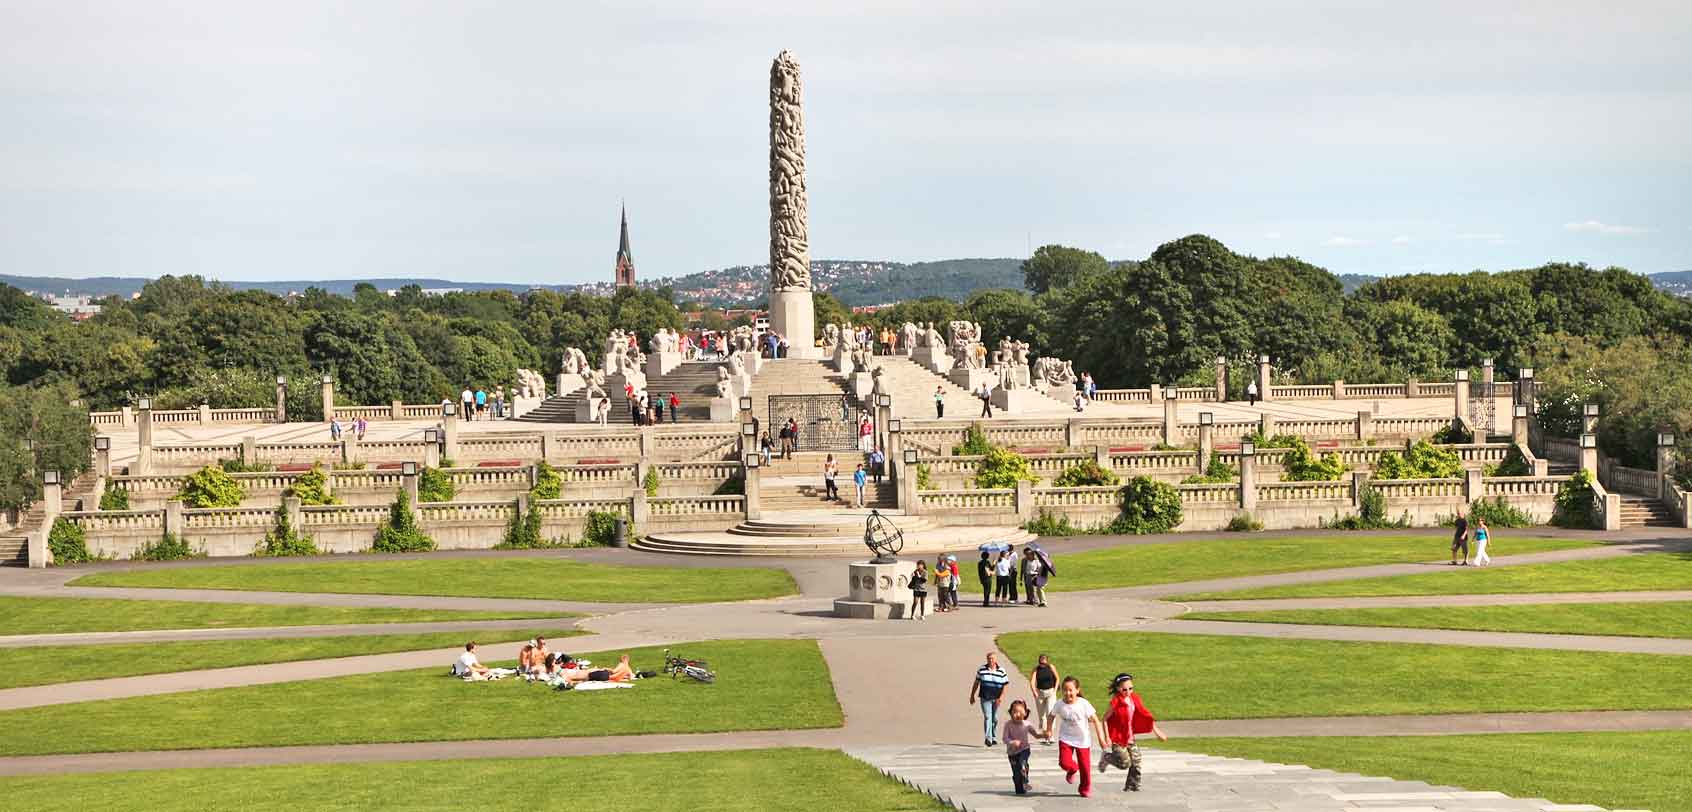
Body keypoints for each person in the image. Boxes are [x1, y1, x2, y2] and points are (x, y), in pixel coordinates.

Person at [1099, 672, 1168, 792]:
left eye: (1131, 688)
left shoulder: (1135, 699)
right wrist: (1107, 737)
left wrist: (1157, 732)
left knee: (1136, 761)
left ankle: (1132, 786)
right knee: (1125, 763)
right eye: (1124, 689)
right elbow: (1104, 719)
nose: (1128, 691)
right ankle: (1107, 758)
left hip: (1130, 737)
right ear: (1118, 688)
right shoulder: (1116, 702)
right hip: (1118, 738)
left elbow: (1146, 716)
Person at [1053, 675, 1108, 798]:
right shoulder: (1059, 704)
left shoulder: (1084, 704)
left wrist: (1101, 739)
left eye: (1070, 690)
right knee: (1064, 763)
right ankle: (1072, 769)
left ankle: (1085, 788)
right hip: (1065, 738)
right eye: (1065, 690)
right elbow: (1051, 716)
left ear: (1077, 690)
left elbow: (1096, 720)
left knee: (1085, 768)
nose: (1068, 693)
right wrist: (1048, 730)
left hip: (1082, 740)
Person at [968, 651, 1010, 747]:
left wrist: (1001, 697)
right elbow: (976, 683)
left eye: (992, 658)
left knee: (994, 718)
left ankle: (993, 736)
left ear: (996, 660)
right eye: (989, 658)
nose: (991, 660)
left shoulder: (1001, 671)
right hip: (985, 697)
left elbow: (1005, 685)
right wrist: (972, 695)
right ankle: (988, 738)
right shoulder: (982, 669)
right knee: (988, 716)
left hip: (996, 698)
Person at [1003, 699, 1039, 795]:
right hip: (1012, 753)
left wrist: (1044, 735)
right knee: (1016, 773)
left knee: (1022, 763)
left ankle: (1025, 779)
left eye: (1020, 712)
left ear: (1025, 713)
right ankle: (1020, 787)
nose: (1017, 714)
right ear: (1010, 713)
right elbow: (1004, 738)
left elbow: (1036, 735)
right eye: (1014, 712)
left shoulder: (1027, 724)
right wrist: (1012, 742)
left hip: (1024, 749)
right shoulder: (1008, 724)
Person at [1029, 653, 1060, 741]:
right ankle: (1045, 735)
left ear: (1047, 662)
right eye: (1041, 663)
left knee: (1050, 713)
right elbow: (1032, 681)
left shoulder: (1051, 667)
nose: (1042, 665)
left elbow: (1057, 678)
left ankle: (1051, 734)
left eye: (1044, 663)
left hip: (1050, 692)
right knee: (1042, 715)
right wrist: (1034, 691)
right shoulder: (1036, 669)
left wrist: (1055, 689)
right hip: (1040, 693)